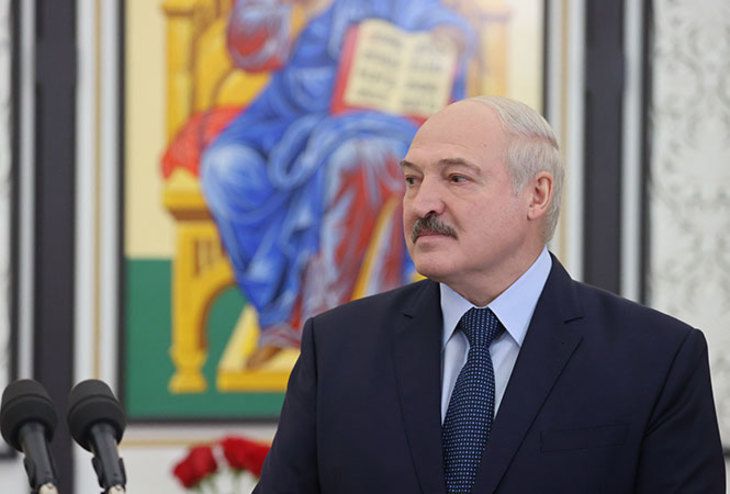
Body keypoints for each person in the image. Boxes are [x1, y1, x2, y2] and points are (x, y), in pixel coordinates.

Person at [253, 96, 725, 493]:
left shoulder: (656, 358)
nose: (422, 204)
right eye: (413, 179)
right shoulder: (337, 347)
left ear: (536, 195)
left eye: (456, 178)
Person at [201, 0, 473, 367]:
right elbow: (247, 47)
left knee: (357, 158)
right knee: (224, 167)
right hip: (287, 114)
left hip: (367, 113)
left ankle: (327, 323)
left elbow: (427, 14)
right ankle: (276, 308)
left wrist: (446, 32)